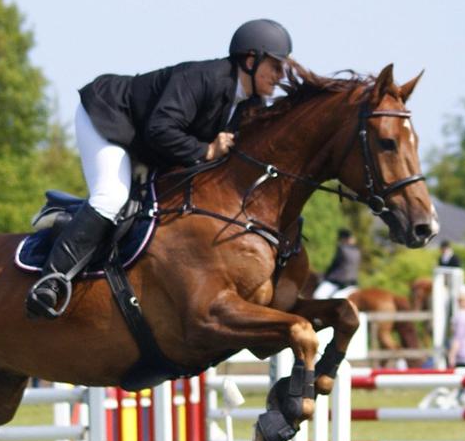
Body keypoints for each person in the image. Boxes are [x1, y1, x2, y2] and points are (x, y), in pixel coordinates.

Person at [26, 18, 294, 319]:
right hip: (108, 118)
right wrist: (205, 150)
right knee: (112, 196)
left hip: (148, 144)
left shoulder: (248, 103)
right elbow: (160, 128)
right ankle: (51, 280)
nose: (280, 76)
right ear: (250, 60)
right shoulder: (203, 78)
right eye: (275, 66)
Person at [313, 229, 362, 299]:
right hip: (353, 283)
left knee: (318, 296)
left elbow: (334, 265)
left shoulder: (342, 248)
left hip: (338, 281)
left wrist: (325, 275)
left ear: (343, 239)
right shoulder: (357, 251)